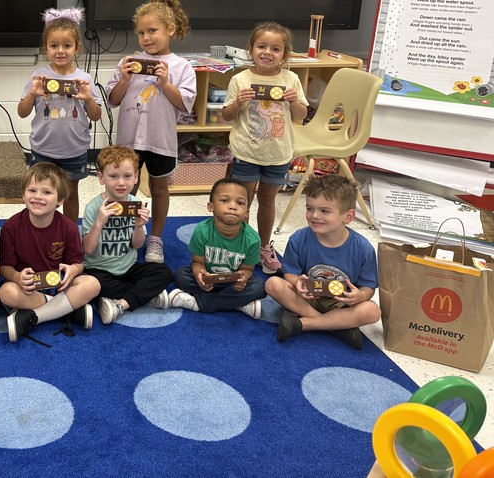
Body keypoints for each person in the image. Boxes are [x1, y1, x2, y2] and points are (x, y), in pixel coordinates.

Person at [106, 0, 196, 264]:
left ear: (170, 30)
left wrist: (166, 83)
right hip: (128, 142)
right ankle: (124, 232)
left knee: (159, 189)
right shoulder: (128, 63)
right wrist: (124, 78)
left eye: (153, 30)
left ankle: (155, 238)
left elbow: (185, 104)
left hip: (160, 141)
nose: (146, 37)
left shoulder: (182, 67)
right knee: (124, 189)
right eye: (141, 32)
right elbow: (113, 99)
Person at [221, 22, 308, 274]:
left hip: (278, 154)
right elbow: (227, 116)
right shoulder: (240, 79)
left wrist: (294, 102)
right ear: (250, 49)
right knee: (243, 202)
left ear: (285, 54)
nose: (267, 52)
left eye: (276, 48)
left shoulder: (290, 79)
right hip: (247, 152)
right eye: (261, 46)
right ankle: (243, 246)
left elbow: (301, 114)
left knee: (268, 201)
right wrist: (238, 102)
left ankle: (263, 247)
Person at [264, 174, 380, 350]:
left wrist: (360, 296)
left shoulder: (363, 248)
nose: (314, 216)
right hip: (308, 298)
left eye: (325, 211)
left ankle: (304, 324)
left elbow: (368, 287)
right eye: (310, 208)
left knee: (372, 311)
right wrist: (297, 283)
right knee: (273, 284)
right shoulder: (298, 239)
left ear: (348, 217)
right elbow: (290, 274)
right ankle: (337, 327)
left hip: (341, 303)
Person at [0, 162, 101, 342]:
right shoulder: (11, 227)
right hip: (29, 290)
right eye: (32, 191)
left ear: (60, 200)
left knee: (92, 284)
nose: (38, 197)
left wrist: (73, 271)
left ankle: (35, 317)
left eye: (47, 192)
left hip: (60, 286)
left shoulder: (68, 228)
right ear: (23, 194)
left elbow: (78, 264)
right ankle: (69, 309)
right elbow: (4, 267)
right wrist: (17, 278)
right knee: (6, 292)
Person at [17, 8, 103, 223]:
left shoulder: (83, 79)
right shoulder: (39, 77)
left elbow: (95, 115)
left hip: (74, 149)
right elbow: (22, 111)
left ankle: (70, 232)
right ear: (46, 48)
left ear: (77, 48)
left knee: (70, 193)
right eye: (54, 45)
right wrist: (32, 94)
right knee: (41, 195)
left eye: (67, 45)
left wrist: (88, 99)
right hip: (43, 149)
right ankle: (41, 229)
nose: (60, 51)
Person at [82, 145, 173, 324]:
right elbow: (88, 249)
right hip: (99, 270)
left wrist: (139, 227)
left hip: (127, 268)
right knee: (88, 281)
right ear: (101, 178)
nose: (121, 183)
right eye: (113, 176)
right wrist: (99, 222)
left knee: (164, 272)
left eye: (127, 176)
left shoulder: (135, 203)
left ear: (136, 177)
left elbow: (138, 246)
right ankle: (143, 295)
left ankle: (121, 303)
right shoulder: (93, 207)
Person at [167, 178, 265, 318]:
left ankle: (198, 303)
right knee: (180, 276)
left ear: (247, 212)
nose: (232, 206)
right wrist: (200, 276)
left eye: (240, 202)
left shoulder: (253, 239)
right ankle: (238, 304)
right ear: (210, 206)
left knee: (259, 286)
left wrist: (242, 279)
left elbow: (248, 269)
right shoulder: (202, 230)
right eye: (225, 200)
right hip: (208, 281)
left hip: (232, 285)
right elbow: (197, 262)